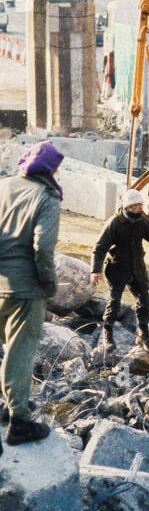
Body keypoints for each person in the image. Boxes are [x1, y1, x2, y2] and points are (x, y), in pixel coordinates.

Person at [0, 140, 64, 446]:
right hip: (26, 288)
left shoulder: (4, 186)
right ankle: (19, 422)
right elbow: (43, 248)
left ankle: (7, 405)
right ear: (51, 169)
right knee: (20, 351)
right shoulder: (47, 197)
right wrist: (48, 285)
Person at [90, 190, 149, 354]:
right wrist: (95, 271)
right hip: (117, 268)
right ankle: (107, 336)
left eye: (141, 205)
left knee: (144, 300)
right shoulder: (115, 223)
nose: (140, 208)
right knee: (114, 302)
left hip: (137, 267)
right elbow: (99, 248)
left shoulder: (142, 222)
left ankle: (143, 335)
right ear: (128, 207)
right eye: (136, 206)